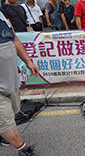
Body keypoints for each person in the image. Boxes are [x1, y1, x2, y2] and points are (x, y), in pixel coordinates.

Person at [0, 10, 40, 155]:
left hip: (10, 78)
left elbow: (14, 39)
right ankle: (23, 149)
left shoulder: (2, 15)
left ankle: (4, 134)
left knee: (12, 109)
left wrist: (28, 62)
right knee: (4, 116)